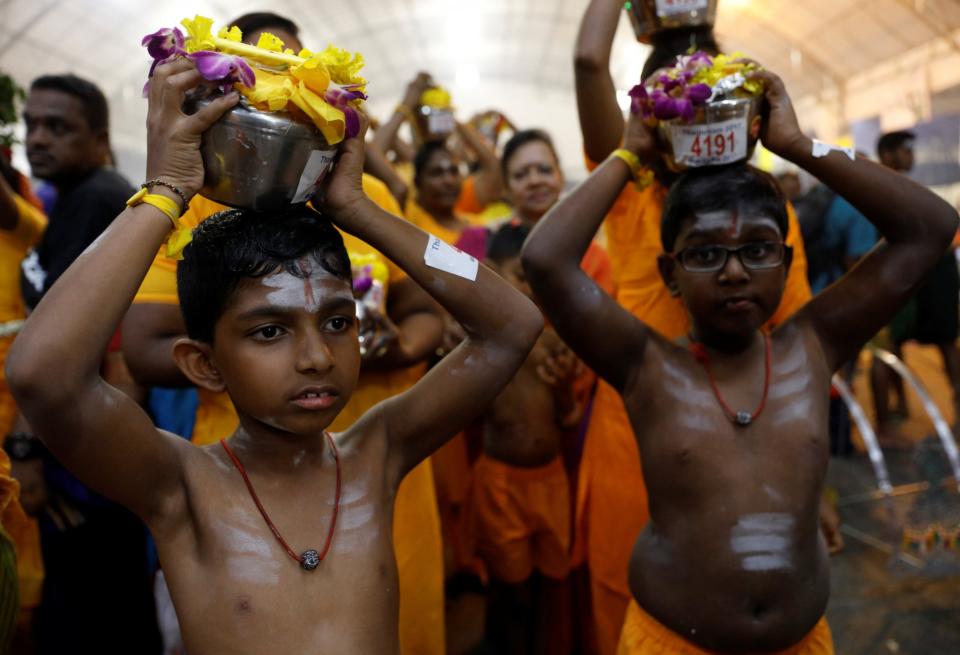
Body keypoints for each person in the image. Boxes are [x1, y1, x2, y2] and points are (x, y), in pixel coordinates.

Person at [6, 57, 542, 655]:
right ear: (203, 363)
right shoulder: (180, 487)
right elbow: (41, 375)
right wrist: (165, 194)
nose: (317, 357)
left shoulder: (377, 454)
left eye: (338, 322)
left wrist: (359, 212)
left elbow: (512, 324)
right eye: (269, 332)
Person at [522, 64, 958, 653]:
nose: (733, 272)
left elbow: (932, 227)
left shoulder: (813, 344)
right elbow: (546, 260)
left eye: (756, 249)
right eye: (704, 254)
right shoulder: (645, 365)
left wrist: (799, 148)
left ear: (784, 259)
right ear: (669, 276)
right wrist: (627, 157)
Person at [122, 13, 450, 655]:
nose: (284, 104)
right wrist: (250, 356)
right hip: (244, 458)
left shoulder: (364, 192)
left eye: (301, 84)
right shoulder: (188, 200)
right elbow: (142, 344)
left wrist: (389, 346)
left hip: (378, 441)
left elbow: (427, 311)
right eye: (261, 84)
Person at [571, 4, 812, 651]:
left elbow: (800, 345)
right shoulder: (630, 191)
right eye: (677, 96)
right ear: (648, 116)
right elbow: (589, 61)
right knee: (635, 604)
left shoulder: (764, 213)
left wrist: (822, 494)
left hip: (760, 444)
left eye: (711, 91)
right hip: (638, 435)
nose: (696, 107)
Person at [15, 73, 161, 654]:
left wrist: (27, 453)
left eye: (59, 127)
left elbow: (69, 345)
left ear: (100, 139)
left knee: (89, 616)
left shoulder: (95, 199)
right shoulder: (80, 196)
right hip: (84, 448)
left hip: (79, 459)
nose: (38, 139)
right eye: (31, 124)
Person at [474, 222, 578, 655]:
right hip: (502, 484)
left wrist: (563, 388)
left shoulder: (555, 344)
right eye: (520, 275)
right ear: (490, 271)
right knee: (509, 588)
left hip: (551, 481)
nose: (530, 290)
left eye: (537, 279)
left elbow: (568, 419)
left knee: (548, 587)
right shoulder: (481, 343)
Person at [869, 130, 960, 442]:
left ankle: (901, 411)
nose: (912, 156)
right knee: (893, 349)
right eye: (906, 150)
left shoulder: (888, 186)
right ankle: (889, 420)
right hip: (910, 280)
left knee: (938, 343)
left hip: (919, 279)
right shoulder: (887, 187)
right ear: (889, 154)